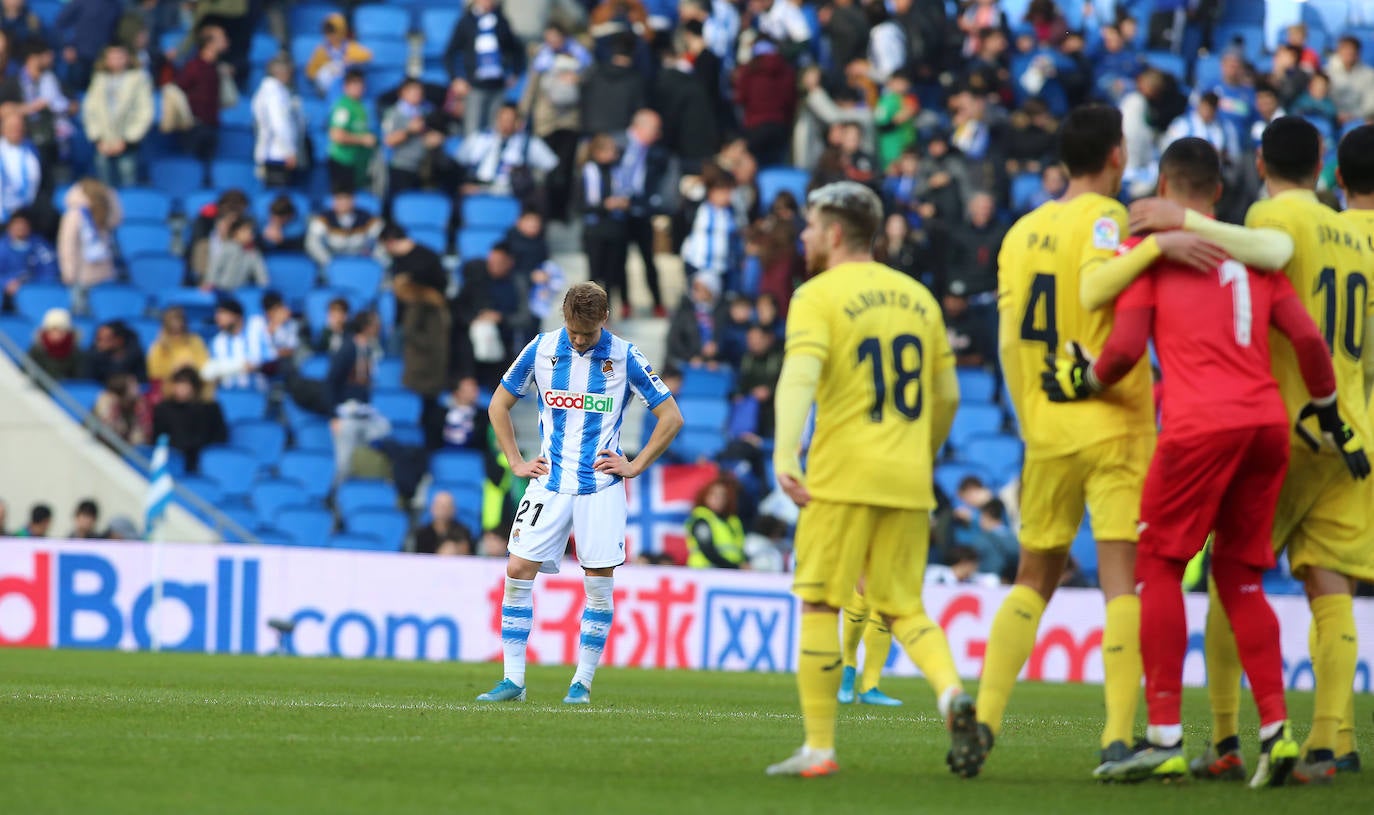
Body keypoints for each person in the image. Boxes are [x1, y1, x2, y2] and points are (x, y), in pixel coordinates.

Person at [1046, 137, 1359, 786]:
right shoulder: (1255, 258)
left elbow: (1126, 350)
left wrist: (1085, 379)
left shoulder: (1149, 257)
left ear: (1162, 187)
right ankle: (1276, 730)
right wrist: (1328, 409)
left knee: (1158, 564)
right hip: (1268, 426)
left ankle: (1162, 733)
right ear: (1220, 193)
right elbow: (1306, 338)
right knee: (1242, 575)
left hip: (1197, 427)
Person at [1136, 119, 1374, 784]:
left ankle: (1224, 736)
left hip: (1277, 420)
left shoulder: (1270, 216)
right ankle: (1332, 742)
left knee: (1232, 575)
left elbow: (1263, 277)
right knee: (1333, 587)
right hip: (1349, 429)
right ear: (1322, 163)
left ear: (1261, 160)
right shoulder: (1351, 236)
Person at [971, 106, 1156, 779]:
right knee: (1118, 579)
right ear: (1118, 152)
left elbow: (1008, 337)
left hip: (1044, 429)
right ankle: (1115, 736)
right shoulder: (1111, 219)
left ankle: (985, 719)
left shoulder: (1022, 230)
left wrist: (1029, 419)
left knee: (1033, 575)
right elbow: (1104, 293)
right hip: (1111, 420)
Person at [764, 181, 972, 777]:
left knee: (820, 603)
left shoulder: (817, 295)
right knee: (905, 606)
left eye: (810, 226)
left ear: (833, 234)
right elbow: (949, 396)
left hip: (841, 475)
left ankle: (819, 749)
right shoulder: (919, 298)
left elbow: (798, 380)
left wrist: (785, 454)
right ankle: (952, 693)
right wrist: (920, 453)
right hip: (908, 478)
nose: (804, 235)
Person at [477, 282, 683, 705]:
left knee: (598, 584)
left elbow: (670, 416)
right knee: (517, 570)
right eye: (573, 330)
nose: (578, 339)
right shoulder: (540, 349)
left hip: (600, 488)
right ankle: (513, 680)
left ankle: (581, 684)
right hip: (549, 482)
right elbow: (498, 405)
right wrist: (516, 461)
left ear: (604, 320)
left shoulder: (625, 356)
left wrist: (636, 464)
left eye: (586, 333)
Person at [445, 0, 525, 136]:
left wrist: (515, 72)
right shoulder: (466, 22)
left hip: (497, 85)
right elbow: (450, 53)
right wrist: (456, 78)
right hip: (475, 86)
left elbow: (516, 49)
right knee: (473, 131)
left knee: (495, 131)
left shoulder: (501, 21)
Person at [82, 44, 154, 189]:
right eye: (112, 57)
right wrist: (98, 138)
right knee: (104, 187)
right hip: (103, 143)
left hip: (127, 143)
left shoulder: (138, 78)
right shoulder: (99, 79)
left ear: (127, 58)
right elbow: (89, 111)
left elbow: (145, 112)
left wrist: (127, 140)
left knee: (128, 182)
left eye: (120, 57)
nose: (116, 61)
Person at [454, 103, 559, 197]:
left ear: (518, 122)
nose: (504, 124)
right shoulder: (479, 138)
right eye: (501, 119)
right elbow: (459, 162)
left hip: (509, 193)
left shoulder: (528, 143)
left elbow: (552, 164)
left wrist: (532, 178)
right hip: (476, 189)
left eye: (509, 120)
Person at [580, 133, 630, 316]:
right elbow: (580, 205)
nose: (613, 154)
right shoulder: (587, 172)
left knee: (612, 275)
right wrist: (604, 205)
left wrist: (623, 203)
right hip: (595, 230)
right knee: (595, 274)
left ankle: (608, 314)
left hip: (615, 230)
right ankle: (591, 313)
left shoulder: (618, 171)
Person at [174, 24, 228, 178]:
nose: (226, 42)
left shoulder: (216, 67)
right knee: (190, 171)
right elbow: (178, 89)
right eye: (221, 38)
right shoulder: (194, 67)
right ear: (209, 43)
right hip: (194, 127)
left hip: (212, 125)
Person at [382, 78, 444, 199]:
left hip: (425, 168)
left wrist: (435, 138)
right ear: (403, 92)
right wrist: (409, 130)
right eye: (413, 90)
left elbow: (437, 134)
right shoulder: (394, 113)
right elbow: (388, 140)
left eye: (419, 90)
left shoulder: (427, 111)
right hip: (402, 168)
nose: (417, 93)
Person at [57, 178, 119, 297]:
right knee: (81, 312)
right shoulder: (74, 214)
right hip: (80, 275)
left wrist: (110, 195)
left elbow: (116, 219)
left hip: (104, 272)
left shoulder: (104, 212)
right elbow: (67, 246)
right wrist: (69, 273)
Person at [251, 54, 304, 189]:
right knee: (279, 196)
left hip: (272, 152)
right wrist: (289, 151)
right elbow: (279, 124)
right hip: (277, 154)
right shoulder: (275, 93)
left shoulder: (265, 90)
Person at [202, 297, 271, 391]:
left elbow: (272, 360)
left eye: (222, 313)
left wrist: (255, 367)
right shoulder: (217, 342)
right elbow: (210, 372)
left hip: (259, 393)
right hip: (229, 396)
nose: (217, 317)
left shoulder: (257, 331)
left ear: (236, 316)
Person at [305, 186, 383, 268]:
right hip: (332, 262)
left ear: (353, 201)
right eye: (339, 199)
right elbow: (312, 243)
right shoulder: (322, 220)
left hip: (362, 262)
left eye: (346, 199)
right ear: (333, 201)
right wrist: (329, 262)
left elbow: (379, 243)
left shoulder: (369, 219)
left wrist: (372, 261)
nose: (343, 203)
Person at [326, 70, 375, 191]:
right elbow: (336, 135)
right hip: (343, 161)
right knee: (344, 197)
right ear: (345, 87)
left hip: (358, 162)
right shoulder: (343, 107)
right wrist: (362, 139)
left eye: (360, 85)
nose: (358, 88)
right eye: (354, 84)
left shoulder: (360, 105)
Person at [685, 476, 746, 568]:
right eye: (714, 495)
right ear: (705, 496)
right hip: (705, 571)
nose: (719, 499)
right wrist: (735, 567)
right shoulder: (701, 520)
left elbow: (738, 550)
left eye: (723, 496)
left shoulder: (732, 522)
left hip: (727, 572)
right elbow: (707, 550)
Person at [305, 13, 371, 98]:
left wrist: (350, 60)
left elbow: (367, 55)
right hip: (328, 90)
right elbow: (310, 72)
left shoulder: (349, 47)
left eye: (333, 31)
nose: (331, 35)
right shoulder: (322, 51)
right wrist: (325, 68)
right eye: (328, 31)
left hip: (346, 87)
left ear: (341, 30)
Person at [0, 207, 56, 309]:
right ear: (9, 227)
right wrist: (6, 282)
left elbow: (50, 273)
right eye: (16, 225)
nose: (20, 228)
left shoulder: (40, 246)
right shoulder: (2, 247)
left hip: (34, 297)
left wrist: (27, 286)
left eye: (23, 225)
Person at [146, 306, 209, 394]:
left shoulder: (195, 341)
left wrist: (189, 369)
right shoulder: (159, 346)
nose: (177, 332)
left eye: (179, 330)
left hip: (194, 386)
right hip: (168, 390)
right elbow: (154, 373)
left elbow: (204, 366)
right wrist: (174, 371)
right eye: (173, 331)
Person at [204, 217, 267, 291]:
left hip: (241, 292)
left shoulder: (254, 253)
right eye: (245, 231)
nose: (250, 234)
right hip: (221, 291)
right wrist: (211, 284)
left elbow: (261, 276)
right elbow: (214, 269)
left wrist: (264, 288)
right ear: (235, 233)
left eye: (251, 231)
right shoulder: (226, 248)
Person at [0, 110, 39, 224]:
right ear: (3, 130)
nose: (16, 131)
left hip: (27, 209)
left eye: (19, 128)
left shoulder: (32, 151)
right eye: (11, 127)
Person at [94, 371, 151, 445]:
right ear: (122, 390)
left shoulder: (139, 404)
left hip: (125, 449)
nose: (138, 388)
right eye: (133, 386)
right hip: (102, 447)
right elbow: (105, 433)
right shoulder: (107, 403)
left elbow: (143, 435)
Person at [27, 306, 82, 379]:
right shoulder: (36, 351)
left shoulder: (76, 353)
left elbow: (80, 380)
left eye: (60, 330)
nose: (56, 334)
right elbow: (26, 373)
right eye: (53, 330)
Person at [414, 490, 475, 555]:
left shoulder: (463, 532)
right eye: (439, 506)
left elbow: (469, 557)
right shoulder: (423, 534)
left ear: (453, 509)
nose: (442, 511)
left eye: (446, 507)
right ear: (432, 508)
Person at [86, 320, 145, 384]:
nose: (98, 344)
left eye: (102, 339)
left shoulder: (136, 359)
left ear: (119, 341)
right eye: (97, 339)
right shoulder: (93, 358)